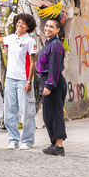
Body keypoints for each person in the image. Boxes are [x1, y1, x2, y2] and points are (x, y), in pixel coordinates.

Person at [0, 12, 37, 150]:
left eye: (23, 23)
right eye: (18, 22)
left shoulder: (30, 41)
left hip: (23, 80)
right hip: (10, 79)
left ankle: (27, 141)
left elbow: (33, 62)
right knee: (10, 111)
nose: (19, 24)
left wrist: (29, 81)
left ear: (28, 27)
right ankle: (13, 140)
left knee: (26, 111)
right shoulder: (11, 38)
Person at [36, 17, 67, 156]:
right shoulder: (49, 43)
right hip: (48, 80)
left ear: (58, 30)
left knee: (55, 113)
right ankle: (54, 143)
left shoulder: (55, 45)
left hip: (53, 82)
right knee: (48, 114)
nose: (48, 28)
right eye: (47, 26)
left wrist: (49, 85)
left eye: (51, 27)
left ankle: (59, 147)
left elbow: (54, 67)